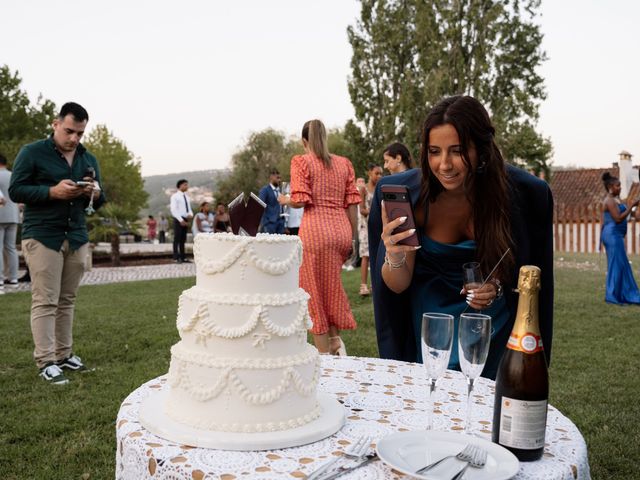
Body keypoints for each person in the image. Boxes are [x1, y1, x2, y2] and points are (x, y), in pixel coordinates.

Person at [368, 95, 554, 380]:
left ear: (480, 149)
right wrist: (393, 255)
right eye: (434, 151)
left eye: (456, 151)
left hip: (494, 334)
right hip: (432, 334)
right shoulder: (409, 198)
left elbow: (528, 272)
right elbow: (398, 282)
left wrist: (496, 288)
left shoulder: (519, 195)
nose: (444, 164)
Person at [9, 102, 105, 384]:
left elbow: (101, 200)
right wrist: (52, 191)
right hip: (42, 235)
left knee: (67, 300)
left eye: (80, 133)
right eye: (69, 131)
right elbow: (16, 189)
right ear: (55, 124)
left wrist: (95, 194)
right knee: (46, 300)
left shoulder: (88, 158)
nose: (74, 138)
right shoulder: (32, 152)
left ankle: (64, 355)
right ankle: (46, 361)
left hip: (76, 236)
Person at [279, 119, 361, 355]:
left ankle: (323, 355)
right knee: (331, 287)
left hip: (316, 233)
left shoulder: (301, 161)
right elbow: (352, 204)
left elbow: (300, 199)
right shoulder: (344, 163)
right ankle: (335, 341)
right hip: (341, 231)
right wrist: (353, 239)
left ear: (304, 141)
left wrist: (285, 199)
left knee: (313, 293)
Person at [600, 172, 640, 304]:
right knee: (616, 264)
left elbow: (626, 215)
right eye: (618, 186)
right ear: (611, 187)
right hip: (612, 235)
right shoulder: (610, 200)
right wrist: (631, 206)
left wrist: (633, 210)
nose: (620, 188)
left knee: (621, 264)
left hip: (615, 235)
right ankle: (612, 295)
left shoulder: (616, 200)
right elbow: (617, 218)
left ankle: (621, 292)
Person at [358, 163, 383, 296]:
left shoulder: (381, 188)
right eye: (376, 173)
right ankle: (363, 285)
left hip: (378, 227)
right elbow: (361, 210)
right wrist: (375, 212)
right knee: (366, 255)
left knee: (377, 255)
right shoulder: (363, 189)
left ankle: (375, 284)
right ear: (369, 173)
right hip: (365, 227)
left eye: (380, 173)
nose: (379, 176)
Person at [0, 153, 21, 294]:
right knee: (11, 248)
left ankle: (0, 278)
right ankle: (13, 278)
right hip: (14, 215)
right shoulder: (14, 175)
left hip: (0, 215)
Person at [170, 179, 193, 263]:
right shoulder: (175, 196)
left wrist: (191, 214)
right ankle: (176, 257)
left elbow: (189, 209)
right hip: (178, 219)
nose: (187, 186)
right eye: (185, 185)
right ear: (180, 186)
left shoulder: (187, 197)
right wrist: (180, 220)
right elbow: (173, 210)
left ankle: (183, 257)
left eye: (187, 185)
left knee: (183, 239)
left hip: (185, 219)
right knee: (177, 238)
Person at [259, 169, 286, 234]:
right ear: (271, 177)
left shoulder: (281, 191)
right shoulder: (265, 190)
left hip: (281, 223)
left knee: (280, 244)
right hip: (269, 224)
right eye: (277, 178)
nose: (279, 180)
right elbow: (260, 206)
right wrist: (265, 222)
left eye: (280, 178)